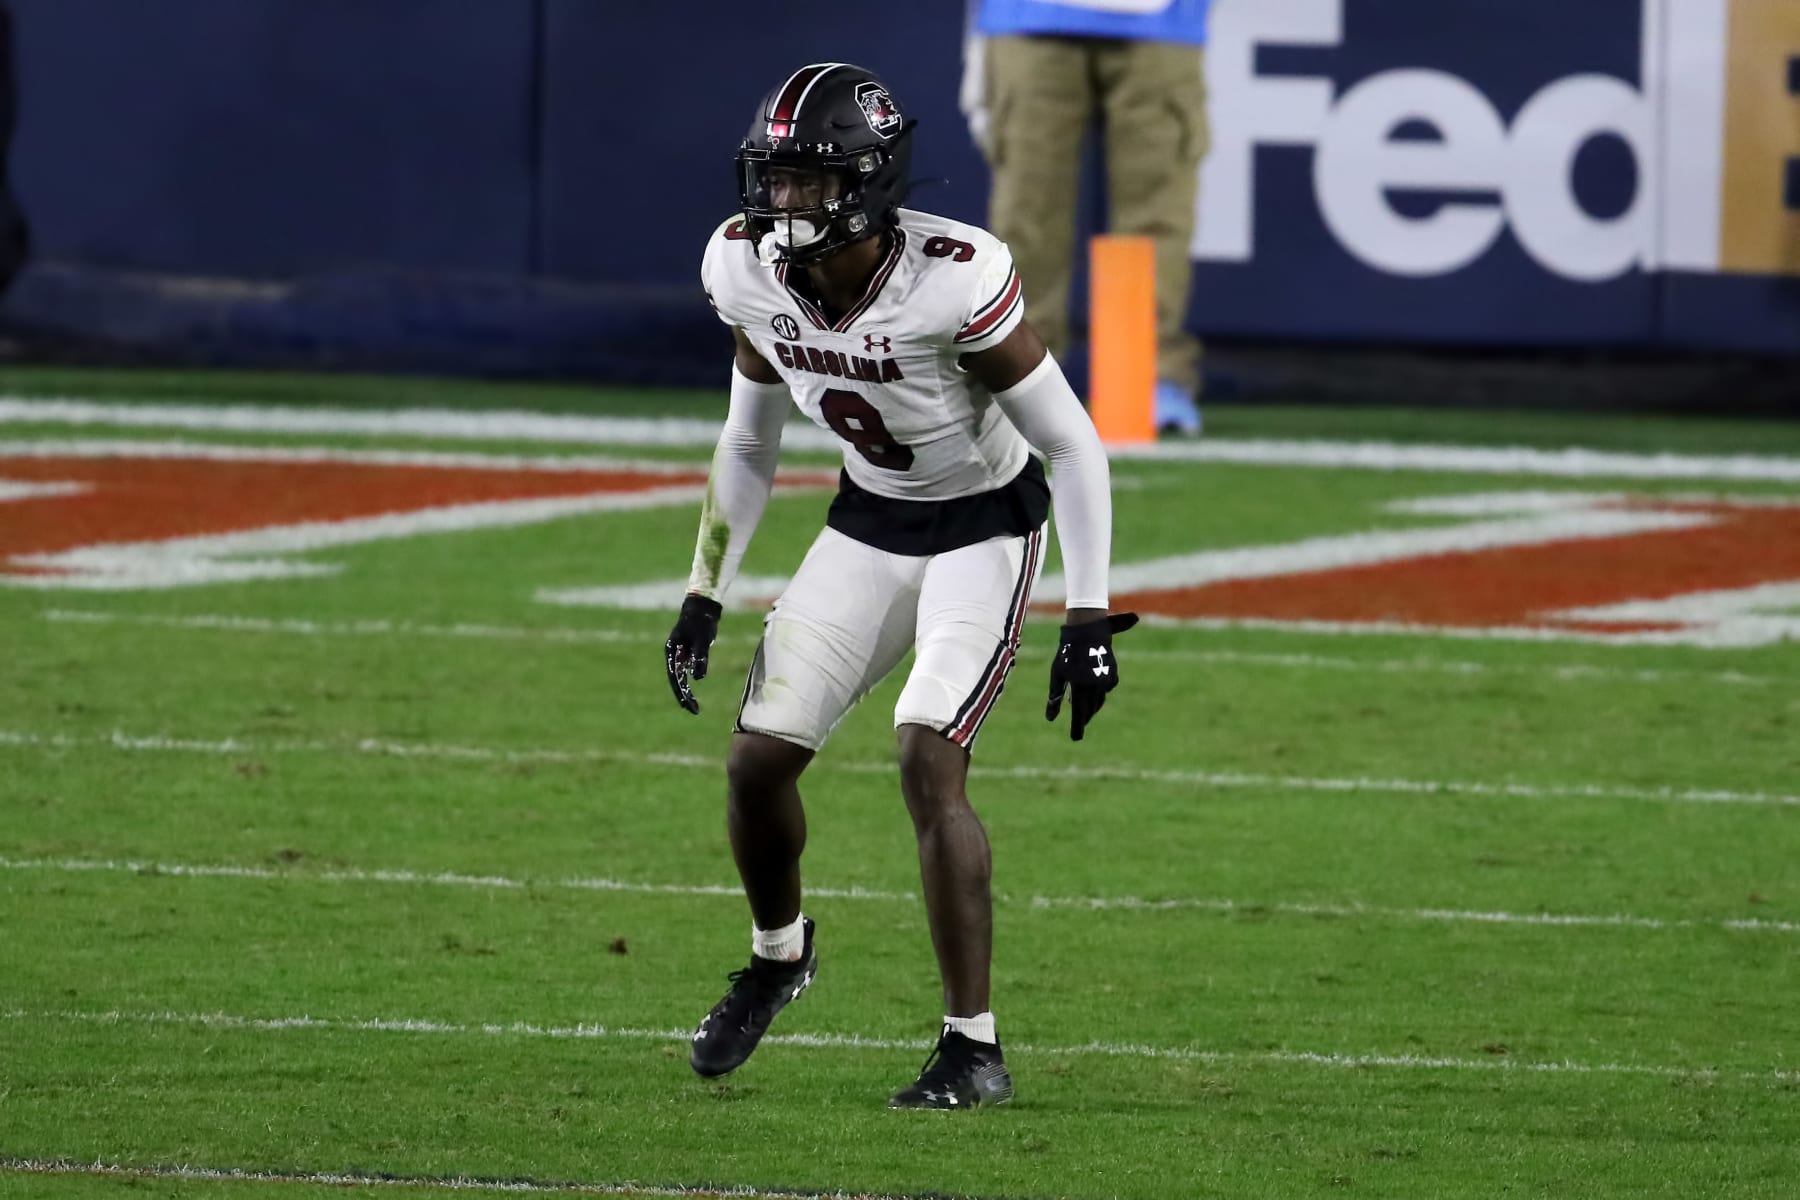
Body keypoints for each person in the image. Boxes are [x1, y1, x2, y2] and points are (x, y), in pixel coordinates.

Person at [664, 62, 1136, 1110]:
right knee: (754, 762)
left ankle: (974, 1046)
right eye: (775, 179)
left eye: (809, 182)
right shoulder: (743, 268)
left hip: (983, 527)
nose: (783, 204)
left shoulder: (955, 275)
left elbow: (1073, 445)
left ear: (871, 183)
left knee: (928, 756)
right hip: (869, 521)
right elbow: (748, 440)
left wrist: (1091, 611)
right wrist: (704, 591)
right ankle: (779, 958)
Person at [961, 0, 1211, 435]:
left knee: (1156, 213)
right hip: (1026, 17)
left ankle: (1149, 378)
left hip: (1162, 20)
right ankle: (1019, 379)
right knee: (1028, 212)